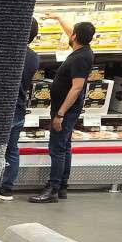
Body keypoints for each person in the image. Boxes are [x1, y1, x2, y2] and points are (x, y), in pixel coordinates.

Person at [29, 21, 95, 203]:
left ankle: (53, 189)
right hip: (66, 109)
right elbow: (72, 34)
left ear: (75, 36)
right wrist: (58, 18)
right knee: (65, 147)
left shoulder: (80, 58)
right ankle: (62, 186)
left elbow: (77, 88)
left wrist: (60, 114)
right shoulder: (83, 50)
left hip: (65, 110)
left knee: (57, 149)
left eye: (72, 32)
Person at [0, 21, 42, 200]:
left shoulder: (10, 54)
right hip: (20, 108)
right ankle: (7, 189)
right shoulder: (34, 57)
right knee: (12, 150)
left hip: (3, 110)